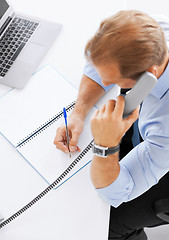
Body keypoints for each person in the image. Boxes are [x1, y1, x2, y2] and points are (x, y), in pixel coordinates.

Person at [54, 10, 169, 240]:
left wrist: (105, 145)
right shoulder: (152, 33)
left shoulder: (164, 128)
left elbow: (116, 193)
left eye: (115, 81)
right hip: (151, 132)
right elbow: (97, 65)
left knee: (107, 225)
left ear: (150, 76)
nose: (106, 85)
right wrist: (79, 112)